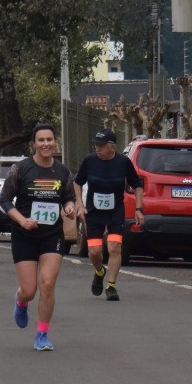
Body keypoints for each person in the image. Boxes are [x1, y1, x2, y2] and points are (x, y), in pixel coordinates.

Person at [0, 123, 77, 352]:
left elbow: (68, 198)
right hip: (25, 234)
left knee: (48, 284)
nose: (46, 144)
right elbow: (4, 200)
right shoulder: (20, 169)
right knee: (30, 290)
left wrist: (70, 207)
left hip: (52, 233)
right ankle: (21, 301)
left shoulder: (62, 172)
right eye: (41, 140)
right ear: (33, 143)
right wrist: (21, 220)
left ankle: (42, 334)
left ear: (55, 142)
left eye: (49, 140)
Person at [74, 129, 143, 301]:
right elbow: (77, 182)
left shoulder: (123, 162)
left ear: (112, 147)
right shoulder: (89, 161)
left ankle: (111, 285)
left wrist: (138, 209)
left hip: (115, 211)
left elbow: (138, 185)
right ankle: (99, 271)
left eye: (102, 145)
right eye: (96, 145)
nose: (98, 148)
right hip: (94, 211)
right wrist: (80, 206)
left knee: (114, 247)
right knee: (95, 251)